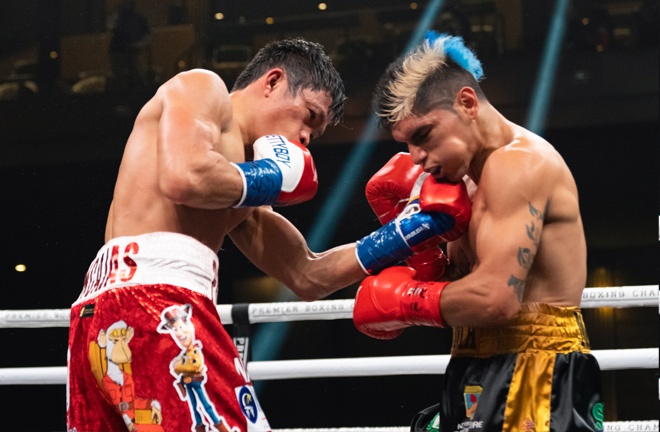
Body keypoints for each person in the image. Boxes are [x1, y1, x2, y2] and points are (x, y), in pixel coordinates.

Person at [66, 37, 472, 432]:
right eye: (310, 115)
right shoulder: (202, 87)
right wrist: (274, 174)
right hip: (156, 303)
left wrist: (409, 229)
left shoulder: (237, 193)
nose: (307, 138)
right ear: (273, 81)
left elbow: (308, 274)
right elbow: (184, 177)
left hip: (99, 321)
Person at [352, 32, 603, 431]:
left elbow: (494, 299)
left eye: (423, 135)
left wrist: (404, 301)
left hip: (537, 367)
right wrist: (425, 258)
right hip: (471, 362)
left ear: (467, 103)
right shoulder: (458, 182)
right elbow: (460, 287)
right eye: (406, 143)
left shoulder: (519, 164)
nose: (415, 157)